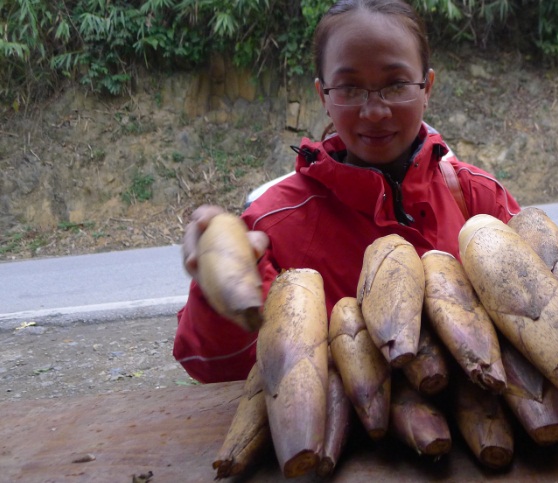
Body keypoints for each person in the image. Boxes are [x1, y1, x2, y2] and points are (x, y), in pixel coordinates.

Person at [173, 0, 521, 383]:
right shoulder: (274, 224)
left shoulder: (478, 199)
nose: (374, 111)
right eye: (350, 88)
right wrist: (217, 288)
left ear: (427, 88)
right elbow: (214, 365)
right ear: (323, 96)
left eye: (396, 84)